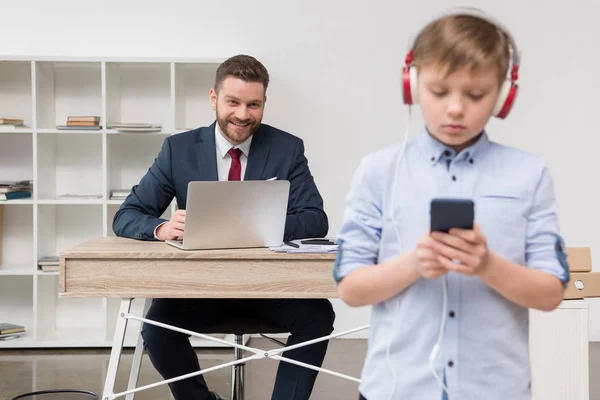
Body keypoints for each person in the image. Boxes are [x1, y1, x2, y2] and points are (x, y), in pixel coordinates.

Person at [333, 8, 569, 400]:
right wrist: (415, 263)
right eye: (440, 91)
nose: (456, 108)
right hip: (397, 389)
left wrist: (487, 265)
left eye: (476, 95)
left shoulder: (530, 173)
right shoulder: (378, 171)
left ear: (503, 95)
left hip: (497, 389)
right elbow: (351, 290)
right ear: (412, 84)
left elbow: (550, 293)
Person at [113, 54, 335, 400]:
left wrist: (260, 223)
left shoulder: (287, 148)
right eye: (233, 102)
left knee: (319, 317)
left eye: (253, 104)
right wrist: (162, 227)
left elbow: (315, 218)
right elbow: (127, 215)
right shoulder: (178, 150)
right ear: (214, 98)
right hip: (201, 287)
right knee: (156, 329)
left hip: (269, 287)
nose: (243, 115)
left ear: (263, 104)